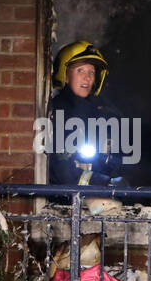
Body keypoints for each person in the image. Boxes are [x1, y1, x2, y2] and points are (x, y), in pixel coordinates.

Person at [47, 41, 128, 187]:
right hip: (64, 201)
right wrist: (105, 181)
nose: (88, 77)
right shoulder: (56, 113)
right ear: (64, 75)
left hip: (96, 201)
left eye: (91, 72)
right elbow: (60, 172)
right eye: (80, 71)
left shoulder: (103, 114)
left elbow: (113, 162)